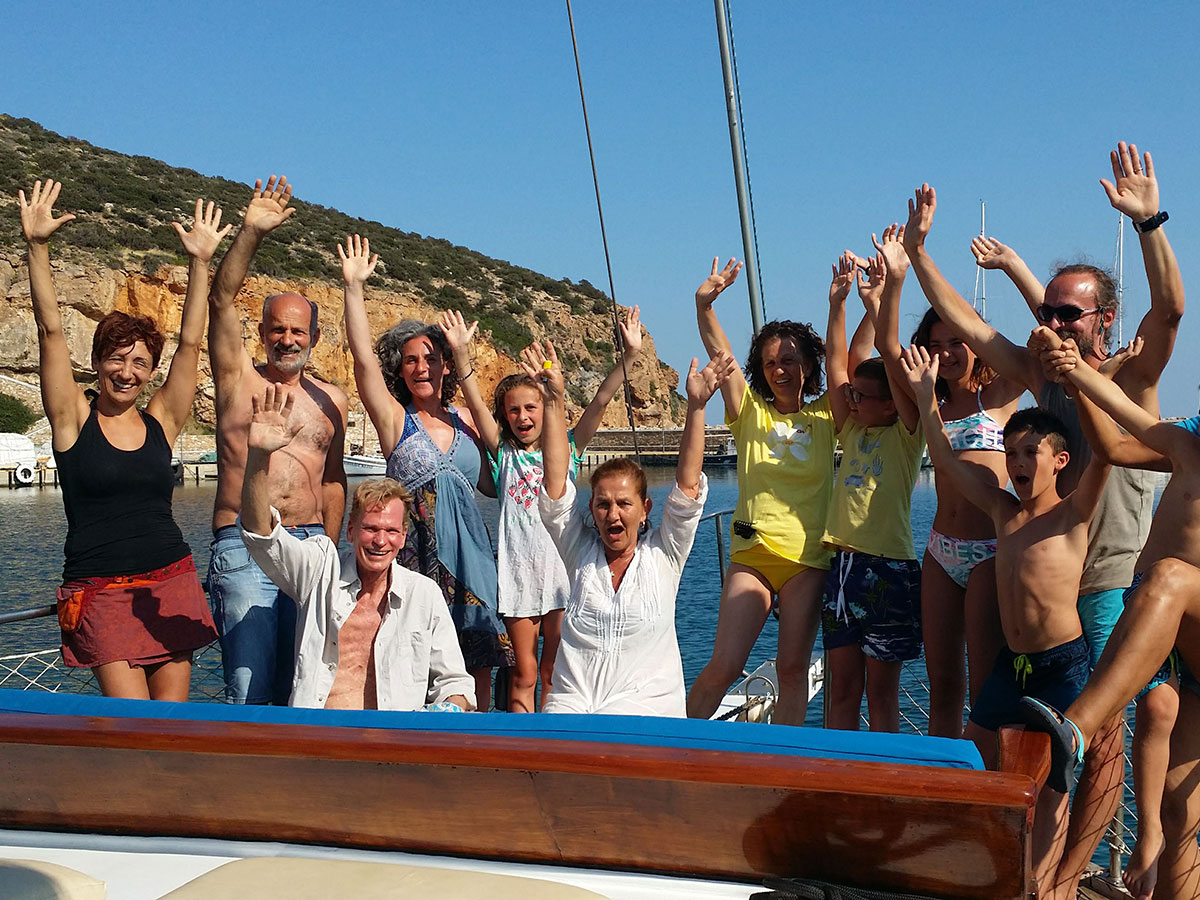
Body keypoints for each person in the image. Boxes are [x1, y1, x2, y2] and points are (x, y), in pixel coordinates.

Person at [901, 141, 1183, 897]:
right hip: (1044, 589)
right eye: (1046, 311)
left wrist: (1149, 222)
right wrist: (920, 255)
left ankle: (1067, 878)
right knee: (1020, 729)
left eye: (1067, 312)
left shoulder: (1130, 374)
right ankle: (1023, 866)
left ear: (1103, 319)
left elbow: (1170, 311)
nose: (1051, 321)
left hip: (1109, 582)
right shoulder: (1040, 376)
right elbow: (967, 324)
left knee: (1101, 738)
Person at [902, 344, 1109, 898]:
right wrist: (925, 400)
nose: (1017, 463)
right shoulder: (1002, 510)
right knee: (972, 757)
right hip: (1010, 666)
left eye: (1030, 453)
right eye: (1010, 452)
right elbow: (946, 463)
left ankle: (1037, 885)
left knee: (1054, 784)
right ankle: (977, 860)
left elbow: (1106, 454)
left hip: (1061, 667)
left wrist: (1084, 386)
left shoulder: (1074, 513)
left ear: (1060, 461)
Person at [19, 180, 223, 700]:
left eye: (140, 362)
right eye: (116, 358)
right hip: (100, 591)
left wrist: (200, 262)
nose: (127, 372)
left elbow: (191, 344)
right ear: (97, 362)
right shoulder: (72, 420)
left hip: (170, 582)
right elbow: (50, 331)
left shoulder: (161, 422)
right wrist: (37, 246)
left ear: (151, 372)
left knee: (173, 727)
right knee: (131, 723)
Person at [1027, 330, 1197, 900]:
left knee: (1170, 576)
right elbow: (1123, 437)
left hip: (1184, 601)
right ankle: (1157, 851)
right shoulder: (1189, 442)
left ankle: (1075, 730)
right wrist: (1075, 372)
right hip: (1175, 631)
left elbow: (1171, 306)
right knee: (1179, 810)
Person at [437, 296, 644, 712]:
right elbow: (474, 400)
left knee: (554, 673)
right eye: (513, 410)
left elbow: (600, 402)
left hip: (563, 573)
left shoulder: (567, 448)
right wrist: (460, 355)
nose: (523, 416)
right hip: (517, 577)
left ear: (545, 409)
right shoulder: (503, 454)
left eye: (531, 407)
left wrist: (628, 356)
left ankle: (552, 738)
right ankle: (520, 740)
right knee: (524, 673)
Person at [339, 236, 512, 710]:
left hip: (472, 559)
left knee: (476, 662)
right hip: (414, 555)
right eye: (411, 360)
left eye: (431, 357)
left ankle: (477, 740)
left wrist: (466, 357)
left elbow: (502, 479)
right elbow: (362, 360)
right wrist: (353, 287)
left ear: (446, 365)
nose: (421, 367)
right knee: (413, 657)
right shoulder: (396, 420)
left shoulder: (468, 421)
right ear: (400, 370)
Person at [238, 384, 475, 712]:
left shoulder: (424, 595)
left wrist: (448, 708)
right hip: (318, 732)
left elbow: (455, 682)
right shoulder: (320, 572)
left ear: (403, 536)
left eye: (390, 531)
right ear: (350, 530)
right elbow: (262, 535)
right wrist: (258, 457)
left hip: (392, 738)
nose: (380, 541)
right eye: (371, 529)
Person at [206, 176, 349, 706]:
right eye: (277, 330)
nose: (287, 340)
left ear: (314, 337)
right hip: (244, 543)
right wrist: (251, 232)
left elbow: (333, 481)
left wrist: (329, 550)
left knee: (307, 688)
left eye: (298, 332)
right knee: (249, 688)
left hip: (310, 546)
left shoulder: (333, 400)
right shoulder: (237, 379)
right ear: (262, 333)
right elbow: (221, 300)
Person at [537, 339, 734, 715]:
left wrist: (696, 407)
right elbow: (557, 486)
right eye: (603, 504)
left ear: (645, 510)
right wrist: (553, 401)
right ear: (592, 509)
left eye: (624, 504)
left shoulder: (664, 555)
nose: (613, 514)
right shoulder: (579, 552)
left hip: (644, 713)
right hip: (572, 708)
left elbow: (687, 489)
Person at [686, 257, 839, 726]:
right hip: (752, 555)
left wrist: (842, 306)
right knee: (724, 665)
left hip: (807, 560)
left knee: (793, 670)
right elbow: (722, 355)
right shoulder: (750, 412)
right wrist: (704, 306)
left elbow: (845, 360)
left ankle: (787, 759)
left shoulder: (826, 415)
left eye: (789, 360)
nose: (779, 370)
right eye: (770, 362)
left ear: (807, 366)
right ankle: (678, 743)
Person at [820, 234, 924, 732]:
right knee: (842, 690)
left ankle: (887, 771)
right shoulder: (854, 430)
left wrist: (884, 303)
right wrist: (840, 304)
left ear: (890, 403)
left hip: (888, 570)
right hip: (842, 568)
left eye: (861, 396)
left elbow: (888, 355)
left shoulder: (907, 435)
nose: (851, 399)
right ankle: (835, 769)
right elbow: (837, 363)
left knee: (882, 695)